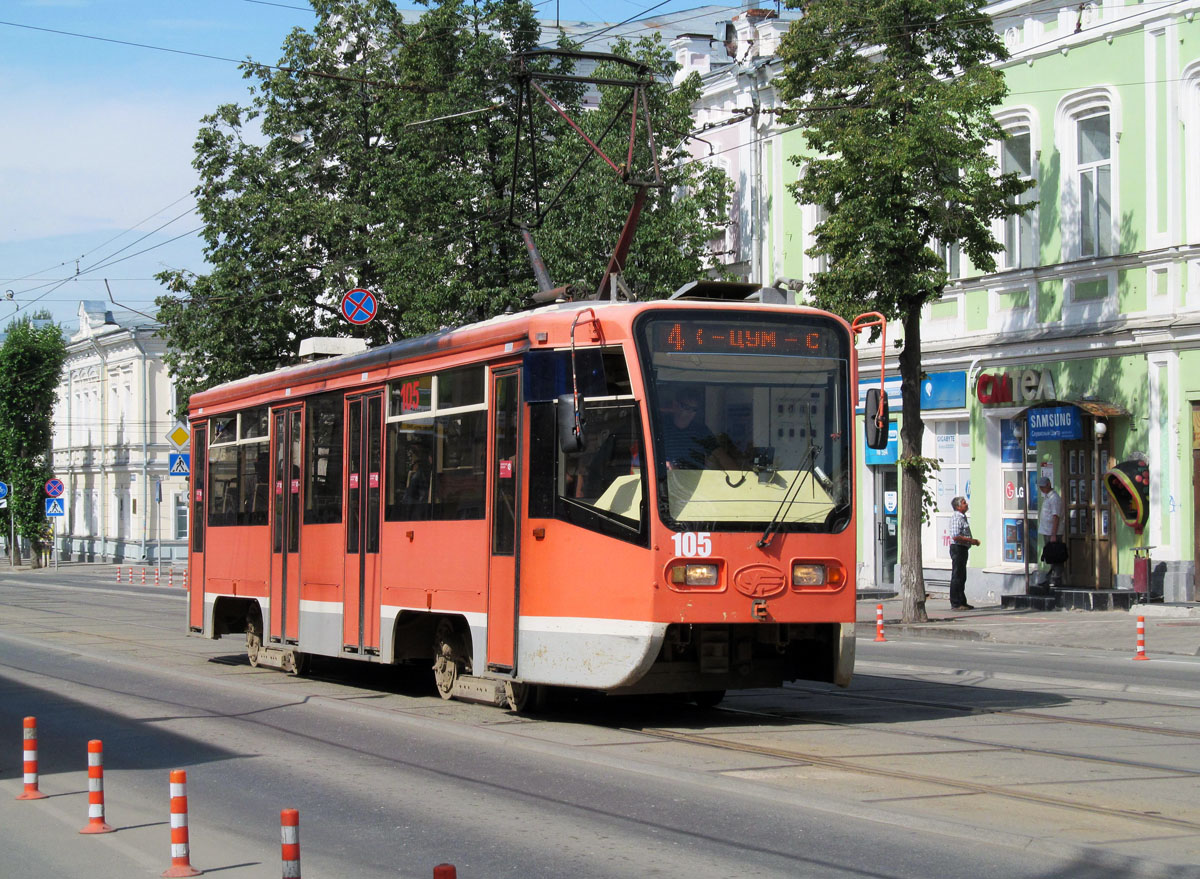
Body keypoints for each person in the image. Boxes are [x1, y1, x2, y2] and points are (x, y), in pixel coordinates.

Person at [947, 496, 979, 610]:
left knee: (962, 576)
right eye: (964, 503)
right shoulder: (957, 517)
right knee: (957, 575)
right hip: (957, 548)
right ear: (958, 506)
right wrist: (971, 541)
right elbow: (956, 536)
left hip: (962, 548)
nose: (967, 504)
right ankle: (956, 603)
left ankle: (962, 601)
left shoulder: (962, 517)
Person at [1037, 476, 1065, 591]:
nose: (1041, 489)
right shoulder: (1047, 497)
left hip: (1053, 533)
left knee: (1055, 556)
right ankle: (1051, 578)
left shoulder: (1054, 498)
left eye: (1043, 486)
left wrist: (1053, 534)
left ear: (1049, 484)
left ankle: (1056, 578)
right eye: (1040, 487)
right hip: (1047, 531)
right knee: (1051, 556)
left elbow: (1055, 516)